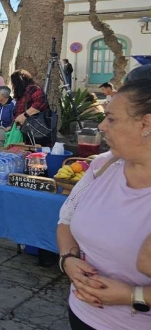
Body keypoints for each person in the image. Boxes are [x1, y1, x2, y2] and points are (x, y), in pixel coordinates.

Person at [56, 80, 151, 330]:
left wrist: (135, 295)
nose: (101, 126)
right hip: (82, 314)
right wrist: (68, 259)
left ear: (146, 125)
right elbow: (65, 221)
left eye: (111, 119)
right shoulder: (102, 166)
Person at [11, 69, 49, 134]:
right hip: (23, 130)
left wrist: (24, 115)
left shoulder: (34, 89)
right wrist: (12, 125)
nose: (12, 85)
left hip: (35, 131)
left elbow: (40, 104)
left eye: (13, 83)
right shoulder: (22, 93)